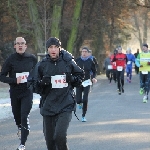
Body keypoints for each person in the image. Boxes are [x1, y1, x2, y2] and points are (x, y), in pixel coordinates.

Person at [36, 37, 84, 150]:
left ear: (59, 48)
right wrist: (42, 83)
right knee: (50, 143)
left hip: (65, 105)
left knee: (59, 136)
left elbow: (80, 77)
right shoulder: (42, 65)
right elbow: (32, 85)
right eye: (50, 47)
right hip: (48, 106)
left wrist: (72, 79)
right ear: (47, 49)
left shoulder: (68, 62)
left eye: (55, 47)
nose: (53, 50)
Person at [0, 37, 37, 150]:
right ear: (15, 46)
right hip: (15, 93)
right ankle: (20, 128)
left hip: (27, 92)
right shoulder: (10, 59)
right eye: (18, 44)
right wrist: (14, 81)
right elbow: (1, 76)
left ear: (26, 46)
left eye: (22, 43)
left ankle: (22, 144)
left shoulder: (32, 59)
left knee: (24, 116)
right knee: (17, 116)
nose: (20, 45)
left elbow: (38, 73)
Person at [75, 46, 97, 122]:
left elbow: (94, 71)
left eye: (85, 52)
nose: (84, 53)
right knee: (78, 100)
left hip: (87, 81)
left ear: (88, 53)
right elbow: (72, 69)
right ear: (81, 52)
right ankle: (79, 103)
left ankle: (83, 115)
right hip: (78, 81)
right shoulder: (77, 60)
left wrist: (94, 77)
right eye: (83, 52)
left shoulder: (91, 61)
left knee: (85, 99)